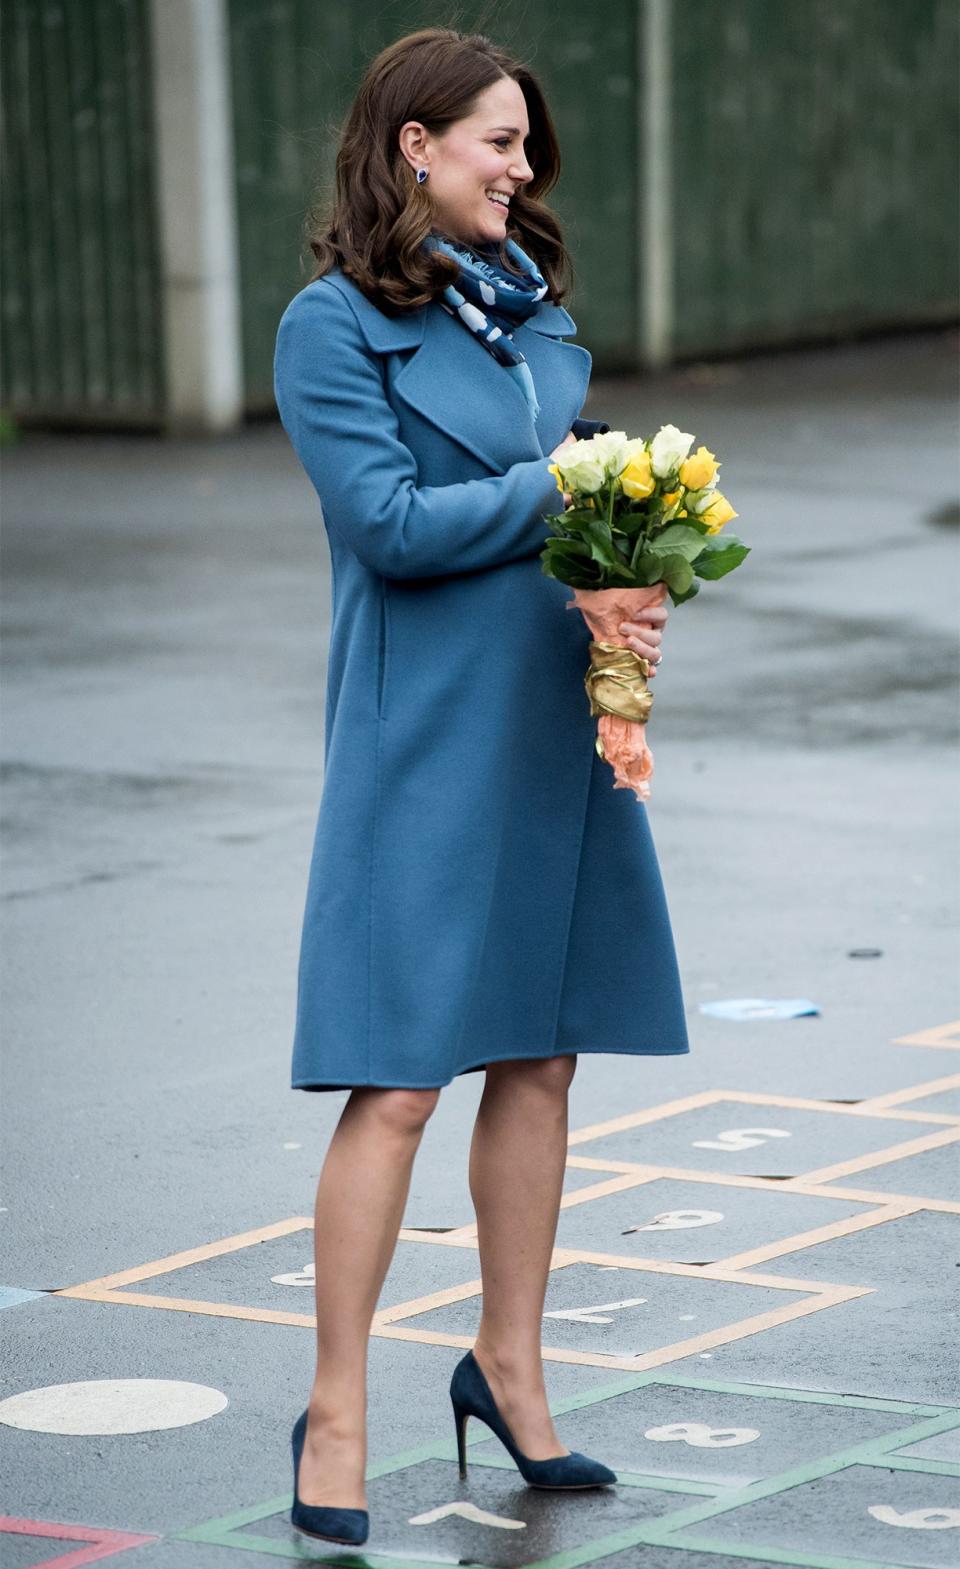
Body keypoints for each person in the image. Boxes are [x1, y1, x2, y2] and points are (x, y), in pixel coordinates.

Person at [273, 26, 689, 1548]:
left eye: (525, 144)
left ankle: (508, 1365)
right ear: (415, 150)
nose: (523, 167)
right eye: (498, 141)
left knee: (545, 1058)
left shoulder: (532, 322)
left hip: (552, 729)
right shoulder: (328, 329)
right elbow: (388, 524)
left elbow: (550, 526)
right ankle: (336, 1408)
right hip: (423, 746)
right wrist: (578, 482)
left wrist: (628, 577)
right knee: (396, 1081)